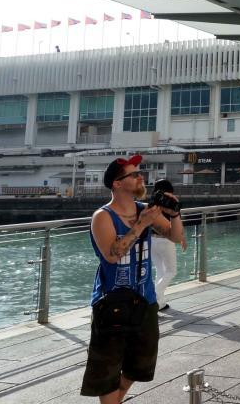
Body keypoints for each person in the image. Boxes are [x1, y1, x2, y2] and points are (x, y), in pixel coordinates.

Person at [81, 155, 184, 403]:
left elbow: (174, 236)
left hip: (144, 301)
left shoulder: (143, 210)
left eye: (140, 172)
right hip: (112, 304)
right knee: (107, 371)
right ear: (117, 183)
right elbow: (113, 255)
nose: (141, 177)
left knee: (140, 365)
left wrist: (175, 213)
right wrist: (141, 225)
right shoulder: (102, 217)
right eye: (134, 174)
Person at [150, 179, 187, 311]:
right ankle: (153, 297)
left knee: (160, 270)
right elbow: (176, 220)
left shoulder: (153, 201)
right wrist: (182, 238)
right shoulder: (170, 201)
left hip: (152, 240)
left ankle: (160, 303)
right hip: (166, 240)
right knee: (171, 271)